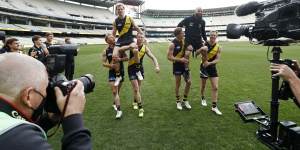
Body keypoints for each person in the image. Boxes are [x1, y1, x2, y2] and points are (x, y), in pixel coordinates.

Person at [0, 53, 91, 150]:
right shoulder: (18, 138)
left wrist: (49, 120)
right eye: (45, 90)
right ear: (28, 96)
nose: (46, 95)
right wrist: (73, 116)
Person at [125, 33, 160, 117]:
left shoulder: (145, 48)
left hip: (140, 69)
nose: (140, 38)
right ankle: (141, 108)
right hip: (131, 69)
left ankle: (134, 101)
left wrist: (157, 66)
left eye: (141, 37)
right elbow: (122, 50)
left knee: (138, 89)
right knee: (136, 88)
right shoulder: (133, 45)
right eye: (138, 37)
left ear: (143, 38)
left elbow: (153, 57)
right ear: (136, 38)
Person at [112, 3, 143, 86]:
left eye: (121, 9)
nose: (120, 10)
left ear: (124, 10)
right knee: (114, 56)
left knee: (136, 51)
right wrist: (112, 42)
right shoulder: (115, 21)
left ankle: (137, 70)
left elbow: (136, 27)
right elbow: (114, 33)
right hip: (120, 40)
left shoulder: (129, 18)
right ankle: (118, 76)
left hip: (130, 40)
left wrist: (142, 34)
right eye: (118, 9)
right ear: (116, 11)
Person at [101, 34, 131, 119]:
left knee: (118, 91)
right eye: (110, 37)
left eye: (113, 37)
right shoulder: (105, 51)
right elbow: (103, 63)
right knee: (115, 91)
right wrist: (111, 66)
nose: (113, 38)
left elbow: (127, 58)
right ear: (107, 40)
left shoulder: (119, 48)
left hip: (120, 72)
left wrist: (120, 59)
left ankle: (115, 103)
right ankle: (119, 110)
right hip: (112, 72)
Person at [196, 31, 222, 115]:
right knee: (203, 85)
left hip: (212, 67)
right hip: (203, 67)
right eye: (211, 35)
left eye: (214, 35)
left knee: (215, 87)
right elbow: (196, 54)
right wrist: (201, 49)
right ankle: (203, 98)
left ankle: (214, 107)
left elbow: (218, 59)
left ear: (216, 36)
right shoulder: (204, 43)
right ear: (209, 36)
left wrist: (210, 63)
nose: (212, 37)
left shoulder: (218, 47)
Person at [167, 27, 192, 110]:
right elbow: (169, 57)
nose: (183, 34)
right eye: (182, 33)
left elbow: (190, 48)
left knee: (188, 82)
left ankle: (185, 100)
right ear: (178, 34)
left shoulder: (185, 41)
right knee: (178, 84)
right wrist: (180, 59)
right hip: (177, 65)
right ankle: (178, 101)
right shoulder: (172, 44)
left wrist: (190, 49)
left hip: (185, 65)